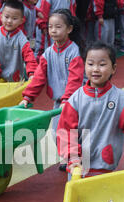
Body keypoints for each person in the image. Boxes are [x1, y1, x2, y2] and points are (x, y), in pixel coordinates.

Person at [56, 41, 124, 177]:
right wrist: (72, 157)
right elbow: (65, 131)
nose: (95, 69)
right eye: (90, 64)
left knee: (105, 197)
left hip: (105, 166)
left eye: (102, 65)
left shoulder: (119, 98)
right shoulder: (76, 99)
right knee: (78, 197)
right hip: (78, 167)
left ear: (113, 68)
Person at [20, 9, 85, 170]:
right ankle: (67, 157)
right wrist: (28, 97)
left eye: (58, 27)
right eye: (50, 27)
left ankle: (77, 157)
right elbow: (39, 77)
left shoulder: (74, 51)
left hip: (76, 100)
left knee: (77, 130)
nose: (53, 31)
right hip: (60, 101)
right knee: (57, 131)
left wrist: (67, 98)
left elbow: (75, 78)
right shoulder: (48, 53)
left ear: (69, 29)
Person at [0, 0, 38, 83]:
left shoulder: (22, 38)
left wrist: (32, 73)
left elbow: (29, 57)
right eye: (6, 17)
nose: (9, 21)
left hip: (13, 76)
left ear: (21, 21)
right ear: (1, 16)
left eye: (14, 18)